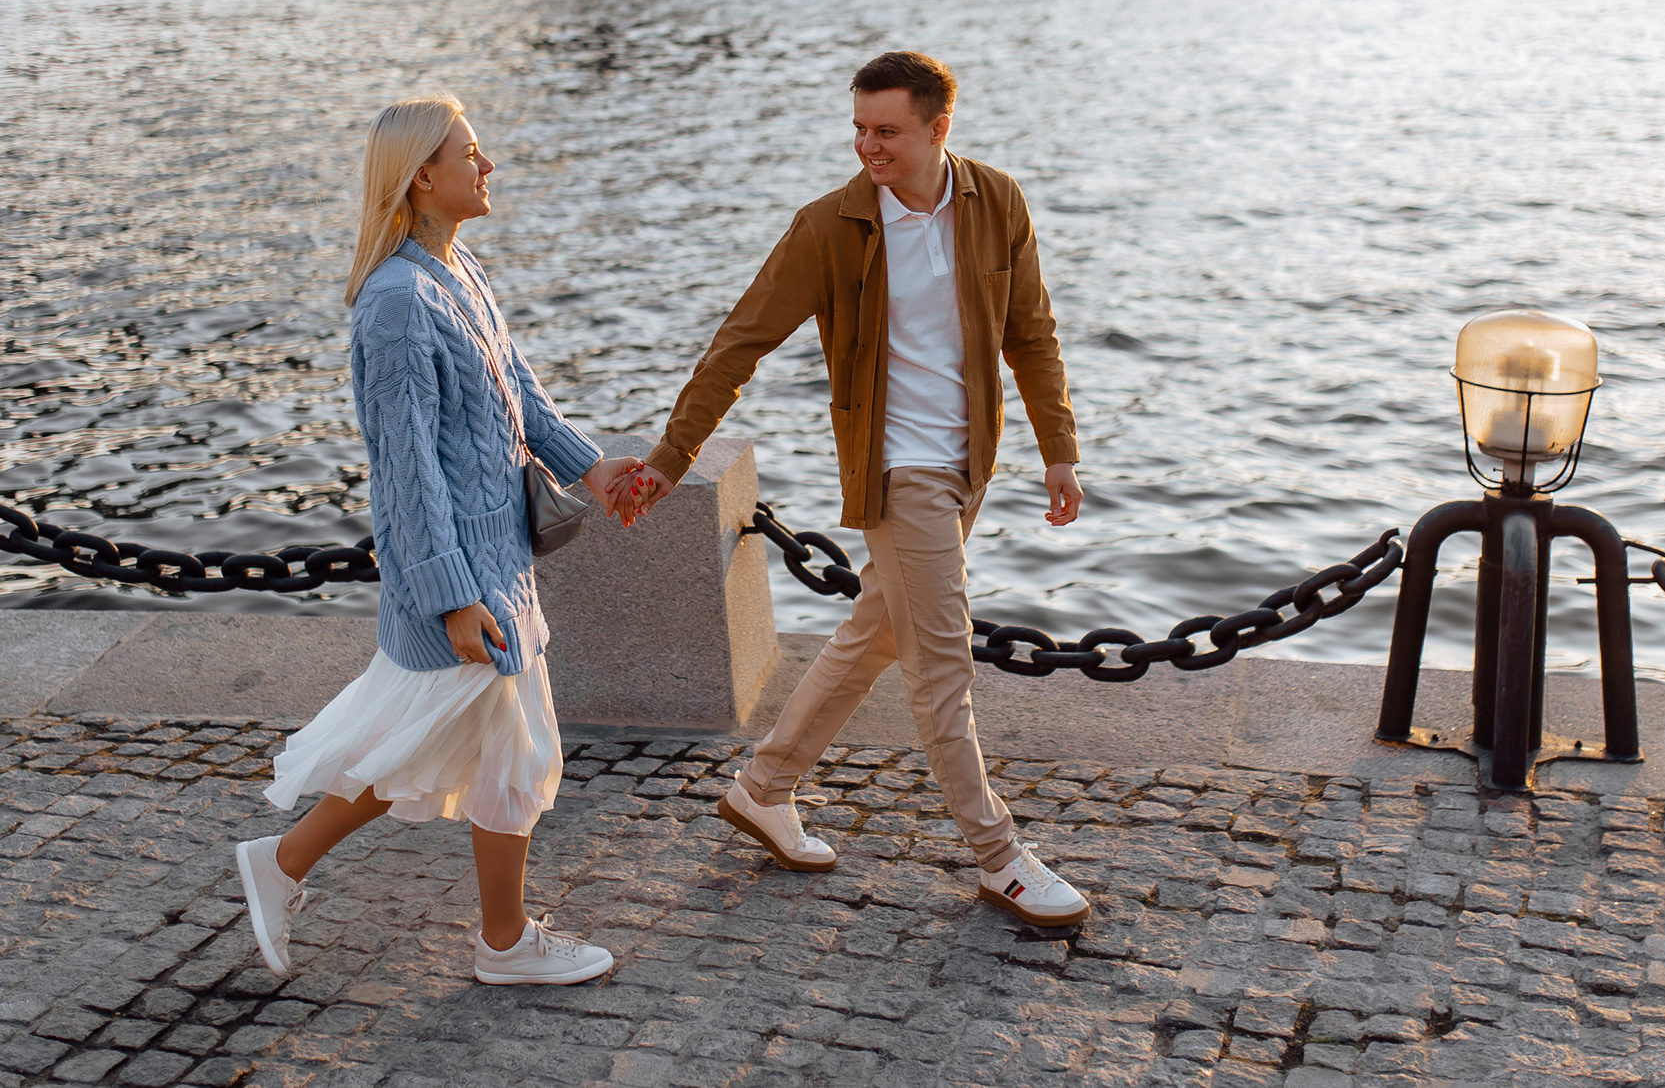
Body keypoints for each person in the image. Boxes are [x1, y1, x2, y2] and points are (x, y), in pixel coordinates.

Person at [628, 51, 1092, 928]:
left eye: (887, 131)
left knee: (875, 632)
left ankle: (765, 786)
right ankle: (1000, 857)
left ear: (937, 129)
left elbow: (1032, 333)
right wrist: (670, 456)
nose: (867, 146)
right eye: (859, 128)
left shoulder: (996, 201)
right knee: (941, 666)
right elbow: (740, 342)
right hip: (898, 470)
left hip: (967, 466)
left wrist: (1057, 448)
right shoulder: (830, 227)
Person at [235, 93, 647, 986]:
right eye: (471, 151)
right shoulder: (395, 304)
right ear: (423, 174)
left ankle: (294, 867)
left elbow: (521, 395)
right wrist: (451, 595)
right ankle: (498, 942)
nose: (487, 163)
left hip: (499, 561)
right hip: (465, 575)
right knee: (498, 746)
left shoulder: (459, 271)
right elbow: (404, 468)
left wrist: (595, 468)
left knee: (458, 746)